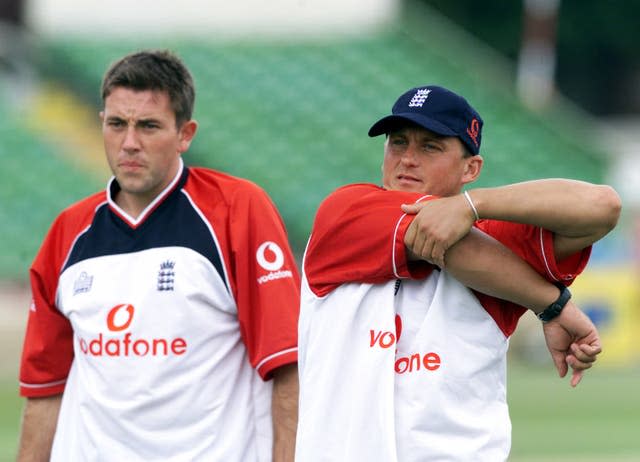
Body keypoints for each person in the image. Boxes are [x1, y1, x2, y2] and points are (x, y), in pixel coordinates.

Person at [296, 85, 621, 461]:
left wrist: (474, 204)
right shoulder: (346, 210)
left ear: (471, 168)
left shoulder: (491, 231)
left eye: (430, 146)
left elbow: (602, 205)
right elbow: (438, 238)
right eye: (398, 143)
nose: (407, 159)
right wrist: (552, 305)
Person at [17, 50, 300, 462]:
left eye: (148, 126)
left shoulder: (237, 210)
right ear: (102, 124)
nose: (129, 143)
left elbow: (288, 368)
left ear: (186, 133)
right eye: (117, 124)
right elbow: (45, 390)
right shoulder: (67, 232)